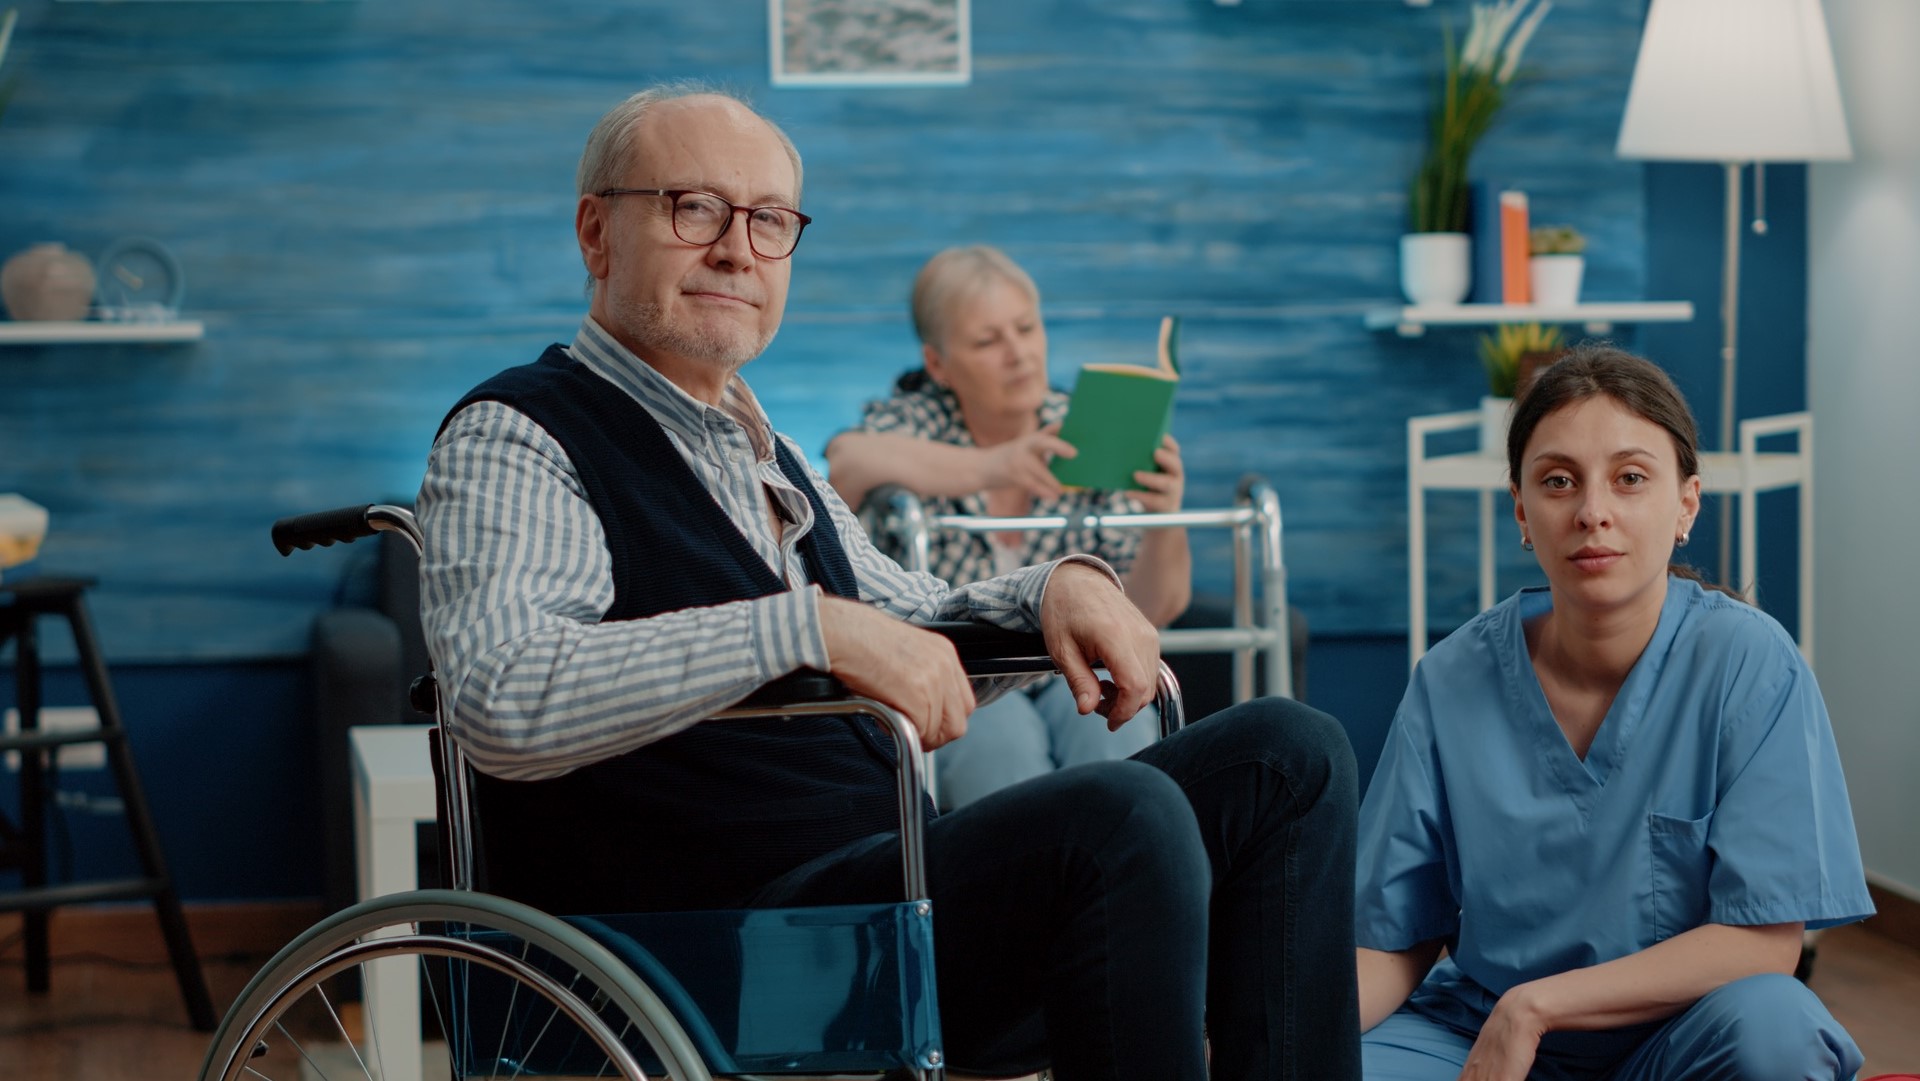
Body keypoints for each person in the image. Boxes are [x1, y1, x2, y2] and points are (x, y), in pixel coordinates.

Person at [417, 84, 1360, 1080]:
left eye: (769, 220)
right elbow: (503, 695)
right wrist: (807, 628)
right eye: (693, 207)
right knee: (1123, 815)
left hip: (883, 898)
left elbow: (910, 617)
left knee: (1292, 754)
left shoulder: (766, 454)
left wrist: (1052, 591)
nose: (737, 249)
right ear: (596, 231)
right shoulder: (519, 432)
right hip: (710, 946)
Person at [1353, 344, 1872, 1081]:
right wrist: (1269, 1042)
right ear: (1522, 510)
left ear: (1686, 503)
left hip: (1682, 1034)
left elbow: (1763, 942)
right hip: (1481, 1030)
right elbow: (1394, 936)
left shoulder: (1749, 664)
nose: (1593, 512)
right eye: (1558, 481)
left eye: (1630, 478)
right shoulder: (1450, 680)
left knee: (1778, 1031)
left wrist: (1536, 1007)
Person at [824, 244, 1188, 807]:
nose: (1018, 353)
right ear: (939, 365)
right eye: (988, 341)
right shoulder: (912, 420)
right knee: (998, 741)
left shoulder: (1084, 431)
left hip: (1072, 673)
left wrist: (1166, 519)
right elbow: (847, 462)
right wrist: (997, 463)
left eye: (1026, 329)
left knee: (1122, 737)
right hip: (962, 670)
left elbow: (1151, 610)